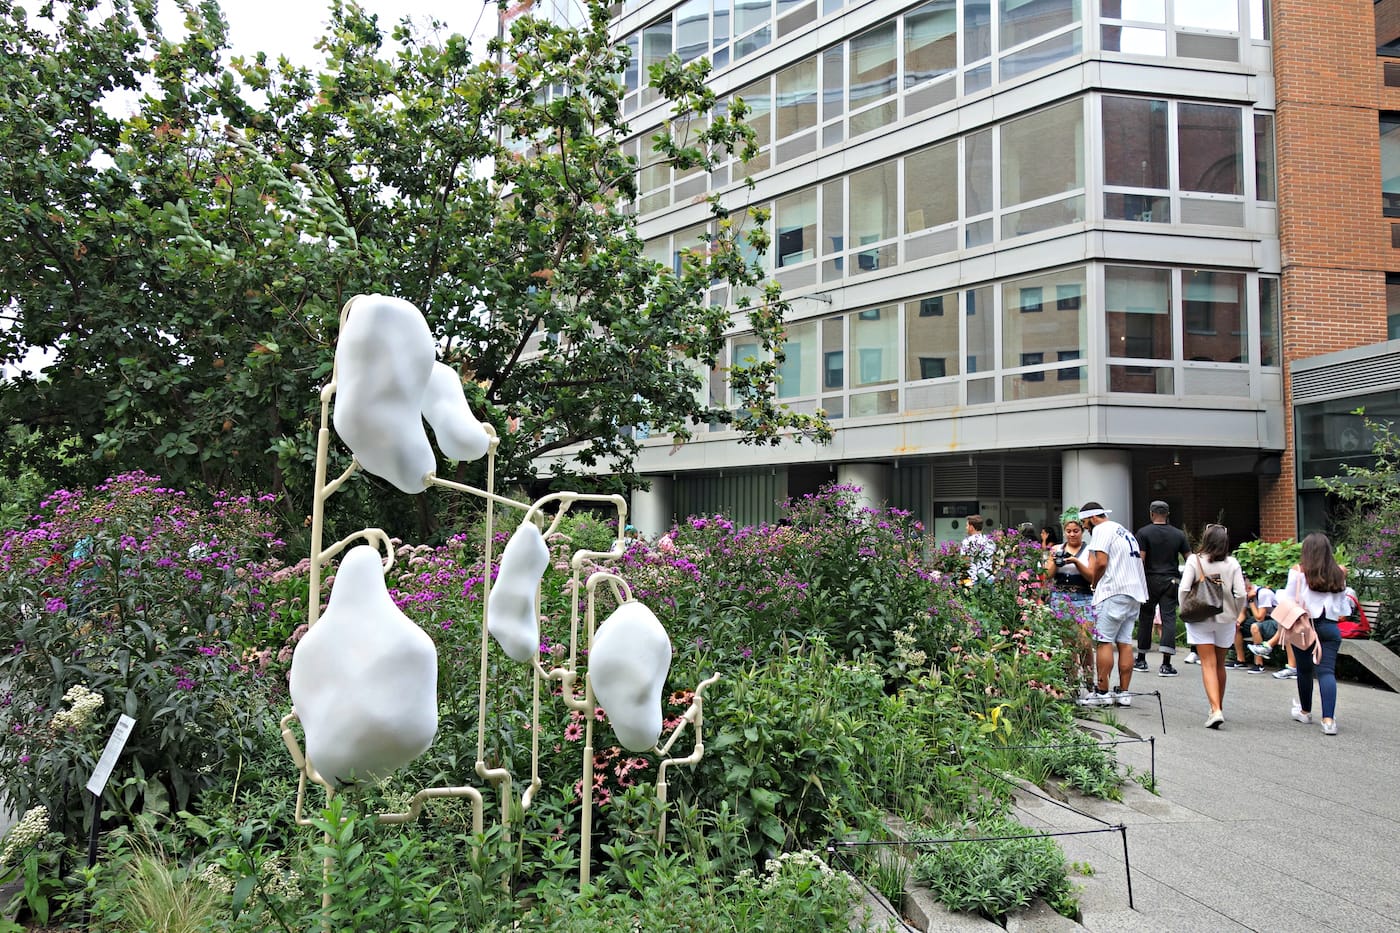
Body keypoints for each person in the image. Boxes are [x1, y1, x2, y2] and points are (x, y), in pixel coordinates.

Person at [1078, 501, 1148, 708]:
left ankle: (1102, 693)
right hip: (1134, 592)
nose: (1085, 529)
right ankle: (1124, 693)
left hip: (1113, 590)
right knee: (1125, 642)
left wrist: (1094, 582)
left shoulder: (1101, 529)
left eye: (1084, 524)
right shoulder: (1124, 531)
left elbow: (1100, 562)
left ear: (1092, 518)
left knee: (1104, 641)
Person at [1177, 524, 1246, 729]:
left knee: (1207, 663)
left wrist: (1185, 609)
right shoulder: (1232, 563)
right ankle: (1218, 706)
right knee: (1220, 664)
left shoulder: (1194, 560)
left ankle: (1215, 709)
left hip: (1200, 618)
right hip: (1226, 617)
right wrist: (1236, 611)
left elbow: (1184, 589)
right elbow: (1241, 593)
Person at [1283, 533, 1350, 735]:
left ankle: (1305, 711)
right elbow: (1343, 609)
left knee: (1304, 670)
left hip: (1303, 628)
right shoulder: (1339, 573)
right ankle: (1328, 721)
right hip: (1329, 628)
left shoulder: (1297, 572)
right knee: (1326, 672)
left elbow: (1286, 601)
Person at [1133, 500, 1189, 677]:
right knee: (1169, 618)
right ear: (1168, 514)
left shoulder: (1143, 533)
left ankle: (1141, 659)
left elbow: (1140, 559)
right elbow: (1190, 557)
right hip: (1171, 580)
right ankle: (1166, 664)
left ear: (1151, 513)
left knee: (1146, 617)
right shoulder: (1179, 534)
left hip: (1149, 580)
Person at [1045, 516, 1094, 686]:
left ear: (1082, 532)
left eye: (1076, 531)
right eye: (1068, 531)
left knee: (1085, 642)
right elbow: (1046, 575)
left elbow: (1092, 577)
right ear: (1064, 532)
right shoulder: (1057, 548)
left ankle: (1089, 682)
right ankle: (1071, 685)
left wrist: (1075, 561)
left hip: (1083, 597)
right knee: (1068, 644)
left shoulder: (1090, 550)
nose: (1072, 535)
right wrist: (1054, 561)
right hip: (1060, 597)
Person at [960, 514, 994, 581]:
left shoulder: (966, 542)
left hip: (973, 578)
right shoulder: (990, 542)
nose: (966, 528)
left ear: (971, 527)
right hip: (988, 578)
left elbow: (965, 561)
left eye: (967, 525)